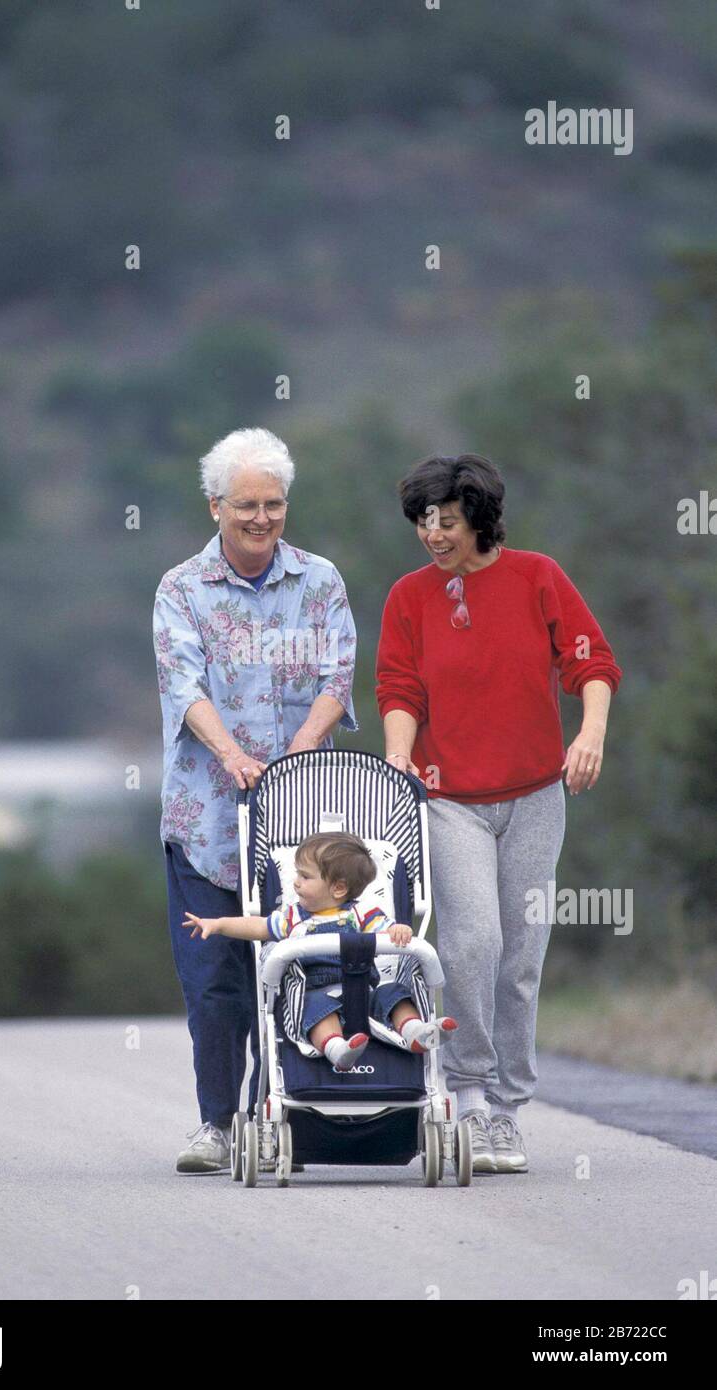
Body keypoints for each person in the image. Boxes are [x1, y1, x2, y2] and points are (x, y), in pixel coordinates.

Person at [376, 453, 621, 1174]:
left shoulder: (538, 576)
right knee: (472, 942)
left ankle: (509, 1111)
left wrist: (590, 734)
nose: (432, 534)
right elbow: (399, 687)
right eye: (423, 521)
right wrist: (397, 758)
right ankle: (470, 1094)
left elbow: (592, 663)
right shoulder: (409, 597)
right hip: (448, 800)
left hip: (537, 796)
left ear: (478, 517)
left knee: (521, 954)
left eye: (445, 521)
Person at [153, 428, 358, 1172]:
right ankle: (217, 1123)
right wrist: (234, 755)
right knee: (217, 984)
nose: (262, 518)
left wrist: (303, 745)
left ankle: (287, 1112)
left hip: (305, 822)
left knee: (302, 962)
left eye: (274, 504)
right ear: (215, 507)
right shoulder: (181, 589)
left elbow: (339, 677)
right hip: (207, 817)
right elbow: (184, 686)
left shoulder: (321, 581)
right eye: (246, 505)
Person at [182, 832, 452, 1069]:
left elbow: (387, 930)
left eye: (305, 876)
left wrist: (399, 932)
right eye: (297, 874)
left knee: (394, 994)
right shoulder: (292, 918)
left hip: (364, 995)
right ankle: (337, 1049)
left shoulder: (363, 914)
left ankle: (416, 1031)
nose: (295, 883)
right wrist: (217, 924)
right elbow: (257, 926)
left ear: (338, 888)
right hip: (316, 993)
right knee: (316, 1010)